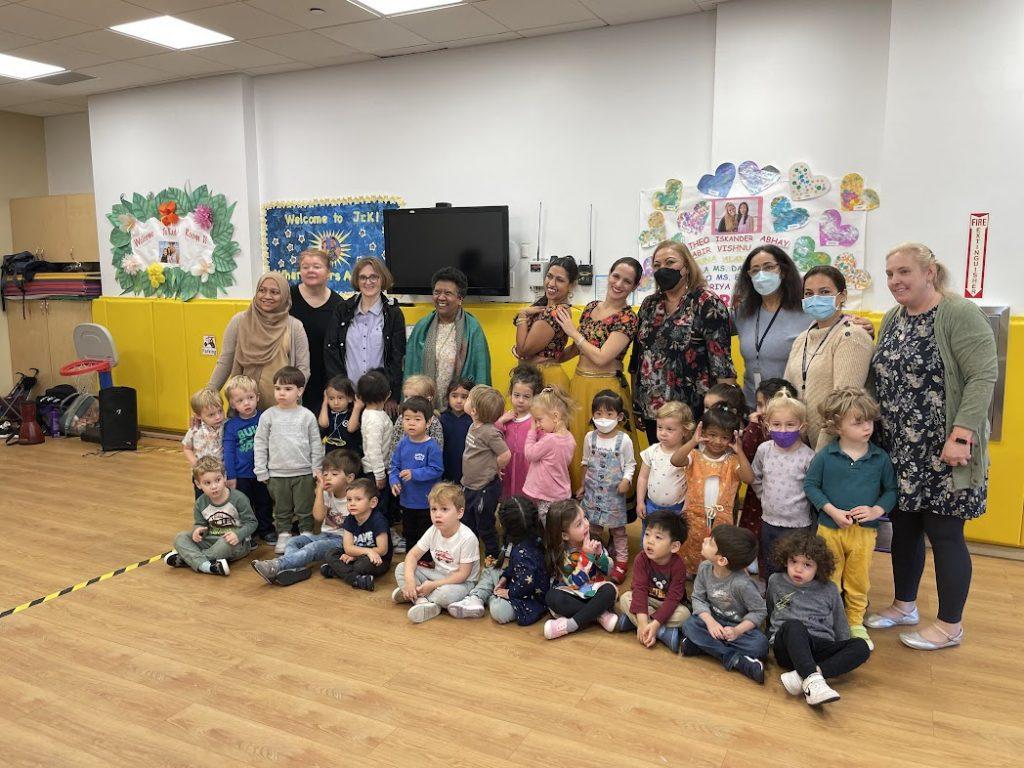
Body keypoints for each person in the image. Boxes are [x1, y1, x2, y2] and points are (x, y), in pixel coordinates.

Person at [866, 243, 996, 651]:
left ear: (930, 273)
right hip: (901, 450)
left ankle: (950, 625)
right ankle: (905, 604)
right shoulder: (893, 318)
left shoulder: (959, 313)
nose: (894, 282)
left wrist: (962, 435)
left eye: (903, 272)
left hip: (945, 451)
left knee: (945, 534)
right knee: (903, 529)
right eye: (889, 274)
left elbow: (982, 377)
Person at [805, 387, 897, 651]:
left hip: (864, 533)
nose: (867, 427)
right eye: (858, 423)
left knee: (858, 580)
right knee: (829, 578)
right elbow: (811, 486)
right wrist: (832, 510)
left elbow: (891, 491)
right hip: (829, 529)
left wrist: (876, 511)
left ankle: (855, 622)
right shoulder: (825, 456)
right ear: (837, 426)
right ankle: (831, 621)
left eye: (869, 421)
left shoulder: (880, 458)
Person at [631, 241, 735, 442]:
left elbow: (722, 366)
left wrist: (725, 414)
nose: (663, 269)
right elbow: (638, 357)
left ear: (686, 267)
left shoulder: (706, 303)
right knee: (661, 469)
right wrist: (636, 403)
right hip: (654, 411)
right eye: (658, 265)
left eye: (670, 262)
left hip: (691, 413)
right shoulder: (649, 304)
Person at [554, 256, 642, 489]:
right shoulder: (591, 307)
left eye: (627, 281)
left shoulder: (628, 318)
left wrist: (573, 332)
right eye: (616, 276)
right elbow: (578, 347)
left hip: (606, 390)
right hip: (579, 385)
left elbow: (602, 357)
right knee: (577, 446)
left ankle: (610, 511)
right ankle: (578, 505)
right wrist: (553, 356)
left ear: (634, 287)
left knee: (606, 451)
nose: (619, 284)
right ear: (609, 275)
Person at [767, 532, 870, 706]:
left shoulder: (829, 589)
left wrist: (842, 648)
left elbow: (840, 622)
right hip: (788, 647)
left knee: (861, 646)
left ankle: (806, 677)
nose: (798, 569)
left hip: (819, 647)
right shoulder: (775, 581)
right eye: (794, 562)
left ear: (819, 568)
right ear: (785, 560)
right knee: (793, 626)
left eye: (807, 565)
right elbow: (770, 609)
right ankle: (813, 680)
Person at [784, 265, 874, 448]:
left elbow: (842, 405)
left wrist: (820, 458)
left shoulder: (851, 336)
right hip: (800, 449)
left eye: (824, 292)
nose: (815, 298)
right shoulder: (802, 339)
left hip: (835, 449)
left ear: (842, 296)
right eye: (809, 293)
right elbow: (787, 392)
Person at [250, 449, 359, 585]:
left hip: (342, 541)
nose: (328, 477)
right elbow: (318, 517)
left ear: (349, 478)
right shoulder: (327, 494)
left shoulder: (355, 498)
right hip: (325, 534)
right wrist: (319, 491)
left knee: (312, 548)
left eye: (334, 474)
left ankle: (276, 565)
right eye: (325, 474)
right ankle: (297, 570)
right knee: (293, 542)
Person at [208, 272, 310, 410]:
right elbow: (225, 362)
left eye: (274, 292)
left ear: (285, 295)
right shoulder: (239, 321)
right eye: (262, 290)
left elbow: (303, 369)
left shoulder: (294, 327)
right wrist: (207, 398)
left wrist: (291, 396)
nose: (267, 296)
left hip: (283, 412)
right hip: (245, 411)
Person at [671, 404, 753, 573]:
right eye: (712, 435)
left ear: (731, 439)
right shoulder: (694, 456)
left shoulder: (733, 461)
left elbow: (749, 478)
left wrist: (740, 452)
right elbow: (675, 460)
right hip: (694, 517)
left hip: (721, 519)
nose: (717, 441)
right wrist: (693, 441)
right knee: (693, 546)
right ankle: (693, 577)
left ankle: (712, 578)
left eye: (724, 437)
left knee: (717, 549)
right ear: (703, 433)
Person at [682, 525, 769, 683]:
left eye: (711, 543)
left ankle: (704, 647)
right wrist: (710, 622)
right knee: (689, 625)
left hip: (737, 628)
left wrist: (737, 631)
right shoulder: (704, 568)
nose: (705, 540)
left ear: (722, 560)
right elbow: (698, 598)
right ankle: (736, 660)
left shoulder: (742, 584)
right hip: (713, 621)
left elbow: (759, 611)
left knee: (760, 646)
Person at [254, 366, 325, 555]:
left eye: (287, 389)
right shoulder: (268, 416)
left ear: (300, 391)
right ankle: (284, 534)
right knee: (282, 509)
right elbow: (260, 444)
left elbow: (316, 445)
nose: (282, 393)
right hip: (277, 473)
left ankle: (306, 535)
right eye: (278, 389)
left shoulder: (307, 416)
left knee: (304, 508)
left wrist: (316, 469)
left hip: (303, 472)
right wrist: (261, 470)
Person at [447, 496, 549, 625]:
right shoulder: (522, 541)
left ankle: (482, 596)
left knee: (499, 611)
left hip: (528, 597)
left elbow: (526, 583)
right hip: (517, 582)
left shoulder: (525, 552)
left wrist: (509, 592)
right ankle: (476, 598)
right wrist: (505, 577)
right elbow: (513, 568)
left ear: (503, 524)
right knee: (490, 571)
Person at [730, 246, 810, 410]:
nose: (762, 274)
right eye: (755, 270)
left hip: (790, 411)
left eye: (768, 267)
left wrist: (859, 324)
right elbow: (712, 331)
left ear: (783, 270)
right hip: (752, 407)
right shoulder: (742, 313)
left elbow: (835, 326)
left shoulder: (806, 312)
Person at [324, 256, 406, 416]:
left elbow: (398, 358)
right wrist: (340, 390)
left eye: (374, 276)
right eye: (363, 277)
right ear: (357, 280)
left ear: (382, 279)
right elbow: (331, 351)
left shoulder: (393, 314)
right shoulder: (342, 310)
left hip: (380, 399)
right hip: (347, 397)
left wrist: (392, 396)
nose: (368, 282)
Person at [392, 482, 480, 623]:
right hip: (438, 576)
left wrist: (433, 585)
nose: (437, 514)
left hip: (462, 583)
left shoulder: (467, 538)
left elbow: (463, 575)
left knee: (445, 594)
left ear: (459, 512)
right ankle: (421, 600)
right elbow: (412, 556)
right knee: (402, 568)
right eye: (433, 509)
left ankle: (415, 596)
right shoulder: (433, 530)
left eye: (444, 509)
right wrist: (409, 581)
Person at [750, 390, 816, 578]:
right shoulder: (764, 450)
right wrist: (763, 496)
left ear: (802, 426)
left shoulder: (808, 456)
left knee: (795, 568)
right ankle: (772, 600)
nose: (783, 430)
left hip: (799, 525)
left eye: (790, 425)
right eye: (777, 425)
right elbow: (755, 475)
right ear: (767, 425)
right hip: (769, 522)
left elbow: (813, 489)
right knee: (771, 565)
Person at [405, 266, 491, 407]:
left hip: (460, 409)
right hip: (424, 409)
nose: (441, 297)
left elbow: (480, 372)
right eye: (437, 292)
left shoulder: (473, 329)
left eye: (448, 293)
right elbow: (410, 368)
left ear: (460, 299)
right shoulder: (422, 327)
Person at [737, 377, 796, 573]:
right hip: (757, 496)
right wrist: (753, 427)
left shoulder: (788, 432)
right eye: (759, 405)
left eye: (766, 405)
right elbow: (745, 454)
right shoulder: (756, 429)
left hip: (784, 504)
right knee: (755, 536)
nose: (761, 410)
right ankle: (757, 572)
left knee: (779, 545)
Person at [579, 389, 636, 583]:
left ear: (619, 416)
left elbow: (630, 464)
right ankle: (595, 557)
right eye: (598, 414)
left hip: (614, 494)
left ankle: (621, 562)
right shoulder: (590, 437)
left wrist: (626, 480)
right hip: (592, 493)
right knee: (593, 527)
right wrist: (582, 486)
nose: (603, 419)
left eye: (609, 414)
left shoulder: (624, 440)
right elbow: (585, 462)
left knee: (617, 531)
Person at [165, 457, 256, 577]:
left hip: (235, 543)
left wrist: (238, 535)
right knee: (180, 537)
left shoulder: (239, 499)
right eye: (207, 483)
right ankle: (207, 566)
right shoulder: (200, 502)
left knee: (225, 543)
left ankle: (190, 559)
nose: (214, 486)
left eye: (217, 480)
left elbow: (252, 523)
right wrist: (197, 530)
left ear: (224, 478)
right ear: (198, 484)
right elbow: (200, 523)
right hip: (211, 540)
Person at [542, 500, 619, 639]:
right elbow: (575, 583)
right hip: (574, 595)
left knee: (610, 590)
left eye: (585, 517)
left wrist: (599, 555)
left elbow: (608, 571)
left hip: (595, 592)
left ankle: (571, 624)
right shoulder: (562, 554)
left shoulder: (594, 541)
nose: (586, 524)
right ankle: (599, 615)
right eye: (579, 524)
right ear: (565, 535)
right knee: (552, 597)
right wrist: (587, 556)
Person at [616, 511, 690, 653]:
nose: (649, 541)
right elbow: (639, 590)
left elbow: (673, 599)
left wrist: (655, 624)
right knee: (625, 598)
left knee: (685, 615)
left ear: (674, 546)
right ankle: (663, 633)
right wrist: (643, 623)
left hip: (666, 604)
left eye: (658, 537)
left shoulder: (678, 566)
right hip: (647, 600)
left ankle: (636, 623)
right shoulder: (641, 559)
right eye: (647, 534)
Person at [460, 385, 511, 566]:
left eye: (467, 399)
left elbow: (505, 454)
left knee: (485, 524)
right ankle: (469, 553)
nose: (464, 401)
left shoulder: (489, 432)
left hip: (484, 488)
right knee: (467, 521)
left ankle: (492, 554)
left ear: (473, 410)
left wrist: (495, 468)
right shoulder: (475, 425)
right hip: (469, 485)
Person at [288, 249, 343, 414]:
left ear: (328, 272)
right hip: (293, 373)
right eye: (305, 267)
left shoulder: (338, 304)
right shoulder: (287, 298)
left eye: (316, 266)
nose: (310, 270)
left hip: (326, 377)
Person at [222, 374, 274, 545]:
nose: (247, 403)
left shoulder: (265, 417)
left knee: (264, 503)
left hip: (263, 472)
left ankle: (266, 529)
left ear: (257, 398)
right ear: (232, 404)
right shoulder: (231, 426)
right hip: (242, 475)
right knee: (244, 506)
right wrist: (231, 476)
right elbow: (228, 452)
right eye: (240, 400)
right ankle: (247, 533)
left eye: (250, 398)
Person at [389, 396, 444, 556]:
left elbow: (437, 470)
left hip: (427, 502)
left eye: (417, 419)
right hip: (407, 501)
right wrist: (394, 481)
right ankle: (411, 559)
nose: (411, 423)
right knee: (410, 534)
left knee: (426, 535)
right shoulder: (402, 444)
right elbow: (394, 467)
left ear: (428, 422)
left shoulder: (431, 446)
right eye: (407, 419)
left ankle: (426, 561)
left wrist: (414, 473)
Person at [513, 255, 578, 391]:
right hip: (536, 375)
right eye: (549, 276)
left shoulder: (555, 312)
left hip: (545, 379)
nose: (551, 283)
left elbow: (523, 350)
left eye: (559, 280)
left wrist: (522, 315)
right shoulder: (547, 308)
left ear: (571, 285)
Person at [321, 478, 393, 591]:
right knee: (331, 553)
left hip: (379, 559)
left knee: (362, 565)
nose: (352, 504)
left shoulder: (379, 520)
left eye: (358, 499)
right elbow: (348, 548)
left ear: (373, 502)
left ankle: (337, 571)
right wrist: (366, 551)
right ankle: (356, 579)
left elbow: (383, 550)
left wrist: (356, 555)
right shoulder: (350, 520)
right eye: (349, 500)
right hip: (358, 554)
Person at [522, 386, 577, 523]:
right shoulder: (570, 438)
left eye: (539, 420)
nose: (538, 425)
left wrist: (532, 432)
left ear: (556, 416)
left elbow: (529, 454)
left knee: (550, 530)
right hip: (562, 494)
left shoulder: (550, 440)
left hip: (548, 498)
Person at [636, 401, 693, 527]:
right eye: (659, 427)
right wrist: (640, 501)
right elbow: (643, 477)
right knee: (650, 537)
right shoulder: (652, 451)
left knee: (671, 540)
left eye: (669, 429)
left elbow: (691, 485)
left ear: (685, 431)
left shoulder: (688, 456)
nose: (663, 433)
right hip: (651, 506)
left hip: (676, 510)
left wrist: (686, 507)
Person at [354, 371, 395, 543]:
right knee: (379, 508)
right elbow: (373, 449)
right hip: (376, 471)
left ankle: (383, 534)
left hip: (380, 469)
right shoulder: (375, 419)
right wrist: (379, 474)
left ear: (360, 397)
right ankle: (381, 537)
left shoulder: (370, 414)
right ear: (387, 395)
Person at [496, 363, 542, 500]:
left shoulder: (536, 421)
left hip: (527, 469)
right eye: (516, 395)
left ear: (535, 397)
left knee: (525, 501)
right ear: (510, 394)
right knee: (507, 501)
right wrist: (501, 421)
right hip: (506, 469)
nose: (520, 400)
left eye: (526, 396)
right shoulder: (504, 416)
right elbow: (491, 435)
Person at [386, 375, 445, 466]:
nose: (407, 401)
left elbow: (437, 450)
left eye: (413, 397)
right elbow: (394, 444)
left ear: (428, 399)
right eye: (406, 396)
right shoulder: (401, 418)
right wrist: (391, 469)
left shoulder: (433, 422)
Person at [182, 387, 225, 498]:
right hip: (201, 475)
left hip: (221, 474)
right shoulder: (195, 430)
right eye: (211, 415)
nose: (218, 417)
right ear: (198, 416)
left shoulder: (227, 426)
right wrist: (195, 463)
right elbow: (186, 448)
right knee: (202, 501)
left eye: (220, 411)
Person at [440, 378, 474, 483]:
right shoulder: (442, 419)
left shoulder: (473, 420)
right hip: (446, 466)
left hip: (467, 469)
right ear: (448, 397)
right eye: (454, 396)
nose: (459, 401)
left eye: (464, 397)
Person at [318, 375, 360, 454]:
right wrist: (324, 403)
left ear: (350, 398)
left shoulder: (352, 414)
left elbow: (351, 428)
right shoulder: (327, 414)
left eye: (340, 398)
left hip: (349, 455)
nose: (336, 403)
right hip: (330, 454)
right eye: (331, 398)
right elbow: (323, 424)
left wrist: (357, 408)